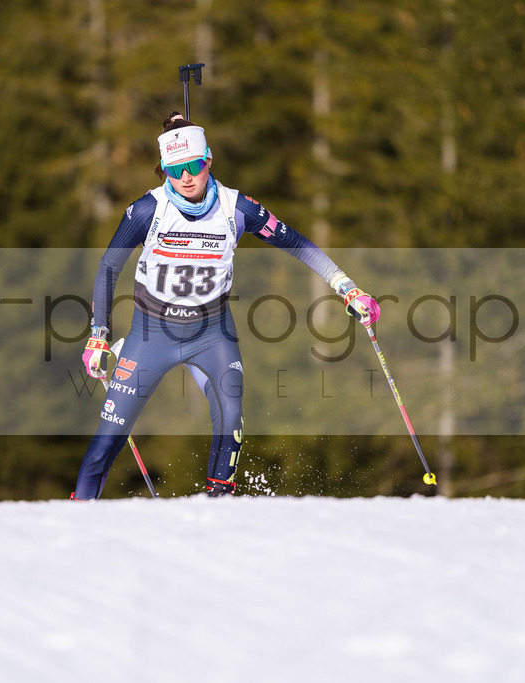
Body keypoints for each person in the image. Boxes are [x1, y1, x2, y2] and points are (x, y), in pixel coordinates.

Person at [71, 112, 379, 500]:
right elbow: (108, 266)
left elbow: (296, 242)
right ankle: (76, 521)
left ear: (209, 161)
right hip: (150, 335)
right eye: (175, 169)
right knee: (107, 439)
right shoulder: (148, 211)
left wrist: (346, 286)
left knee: (231, 416)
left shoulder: (238, 209)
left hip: (211, 333)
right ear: (164, 169)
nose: (185, 177)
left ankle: (219, 509)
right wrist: (98, 336)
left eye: (194, 166)